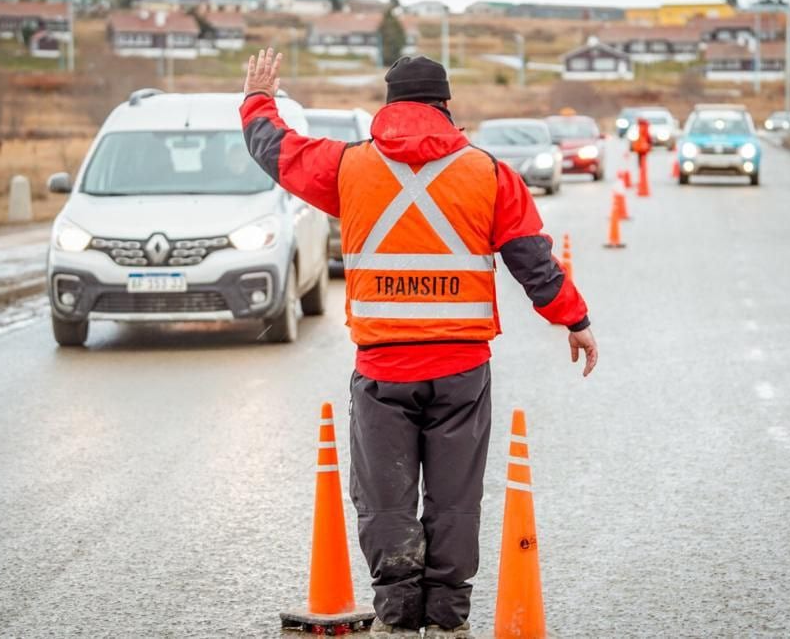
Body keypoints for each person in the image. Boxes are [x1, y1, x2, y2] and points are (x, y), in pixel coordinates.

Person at [240, 49, 598, 639]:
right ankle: (447, 620)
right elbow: (532, 258)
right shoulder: (487, 173)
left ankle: (398, 619)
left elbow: (276, 151)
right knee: (455, 500)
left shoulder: (348, 168)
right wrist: (574, 319)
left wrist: (259, 98)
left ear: (388, 106)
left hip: (383, 368)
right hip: (462, 369)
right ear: (445, 105)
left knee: (386, 499)